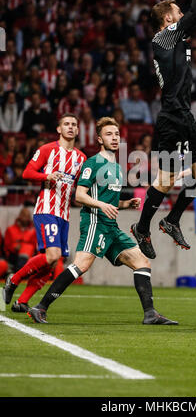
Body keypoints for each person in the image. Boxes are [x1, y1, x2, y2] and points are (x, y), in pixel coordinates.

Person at [27, 117, 178, 326]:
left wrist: (126, 204)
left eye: (116, 134)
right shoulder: (93, 163)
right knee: (81, 265)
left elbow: (110, 203)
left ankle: (150, 314)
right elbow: (79, 196)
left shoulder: (116, 167)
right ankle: (40, 307)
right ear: (99, 139)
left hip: (111, 227)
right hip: (94, 223)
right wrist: (101, 205)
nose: (114, 138)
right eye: (109, 134)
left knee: (142, 262)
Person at [131, 0, 196, 259]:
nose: (182, 14)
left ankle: (172, 219)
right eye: (177, 12)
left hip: (185, 115)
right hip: (171, 117)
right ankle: (142, 227)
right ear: (168, 19)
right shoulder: (163, 38)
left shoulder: (177, 38)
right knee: (165, 179)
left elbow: (195, 13)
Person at [2, 113, 86, 312]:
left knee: (50, 263)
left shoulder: (81, 158)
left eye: (74, 124)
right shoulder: (47, 150)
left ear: (78, 130)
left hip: (64, 214)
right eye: (66, 124)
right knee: (52, 255)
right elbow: (27, 173)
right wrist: (47, 175)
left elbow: (80, 186)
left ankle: (22, 302)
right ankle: (13, 280)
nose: (70, 127)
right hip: (46, 209)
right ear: (59, 129)